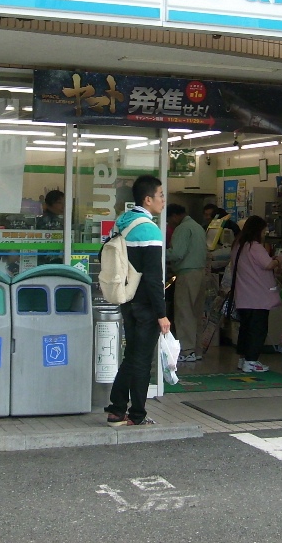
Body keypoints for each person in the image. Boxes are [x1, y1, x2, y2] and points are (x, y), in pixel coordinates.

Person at [104, 175, 170, 427]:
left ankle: (116, 409)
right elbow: (154, 278)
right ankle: (137, 414)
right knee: (142, 360)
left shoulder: (121, 223)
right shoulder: (149, 230)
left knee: (131, 355)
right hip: (145, 305)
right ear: (148, 199)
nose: (163, 200)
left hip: (127, 299)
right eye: (161, 195)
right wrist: (162, 313)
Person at [228, 215, 282, 373]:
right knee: (257, 330)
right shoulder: (255, 247)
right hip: (258, 297)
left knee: (246, 329)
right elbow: (268, 264)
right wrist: (279, 260)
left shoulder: (238, 246)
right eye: (264, 230)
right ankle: (251, 361)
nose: (265, 233)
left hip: (243, 296)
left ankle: (244, 359)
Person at [165, 203, 207, 364]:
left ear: (175, 216)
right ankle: (196, 350)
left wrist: (160, 252)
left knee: (184, 313)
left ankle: (186, 350)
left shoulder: (182, 229)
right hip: (200, 273)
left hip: (187, 274)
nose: (169, 223)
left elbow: (176, 253)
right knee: (196, 313)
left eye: (169, 219)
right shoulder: (197, 227)